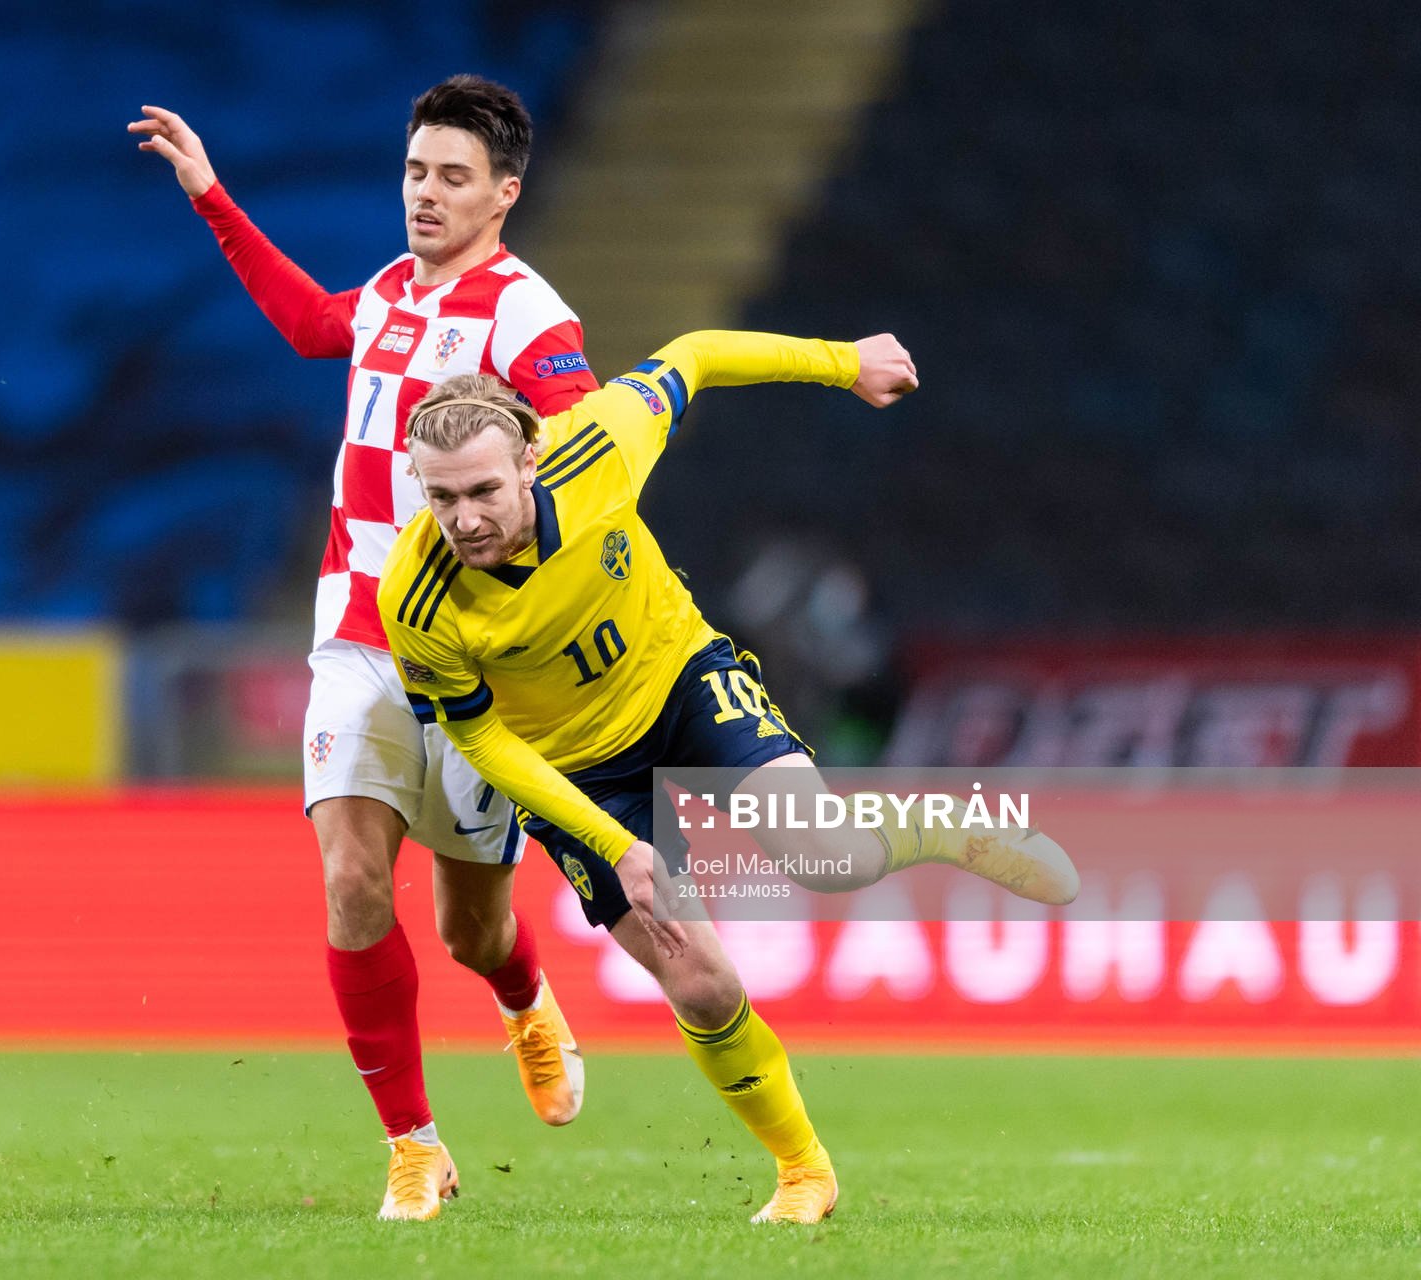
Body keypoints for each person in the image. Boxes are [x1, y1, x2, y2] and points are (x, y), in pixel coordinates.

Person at [378, 331, 1079, 1225]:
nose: (466, 519)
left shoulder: (597, 444)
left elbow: (699, 354)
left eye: (483, 490)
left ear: (529, 458)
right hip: (576, 774)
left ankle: (947, 826)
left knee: (832, 860)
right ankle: (803, 1172)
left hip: (682, 685)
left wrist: (843, 364)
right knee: (700, 982)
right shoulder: (414, 599)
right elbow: (487, 747)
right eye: (441, 499)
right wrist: (614, 841)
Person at [130, 76, 600, 1220]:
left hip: (471, 652)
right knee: (350, 880)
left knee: (467, 926)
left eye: (450, 176)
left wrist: (539, 592)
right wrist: (210, 194)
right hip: (355, 629)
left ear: (505, 191)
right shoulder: (391, 290)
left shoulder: (531, 317)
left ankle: (524, 995)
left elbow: (584, 462)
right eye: (413, 171)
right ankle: (414, 1145)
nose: (424, 195)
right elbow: (308, 325)